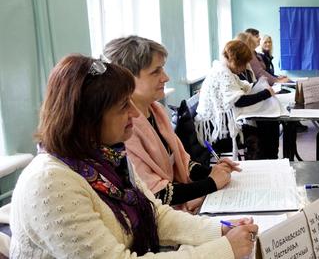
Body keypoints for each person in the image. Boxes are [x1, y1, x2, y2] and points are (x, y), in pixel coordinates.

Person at [10, 54, 257, 258]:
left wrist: (221, 231)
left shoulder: (108, 157)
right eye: (122, 107)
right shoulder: (50, 183)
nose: (135, 114)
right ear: (88, 120)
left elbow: (157, 215)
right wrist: (223, 249)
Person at [103, 36, 239, 212]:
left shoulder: (156, 110)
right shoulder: (124, 128)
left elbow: (182, 161)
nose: (166, 77)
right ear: (127, 78)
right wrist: (211, 182)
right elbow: (154, 194)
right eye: (156, 72)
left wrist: (213, 171)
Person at [196, 40, 280, 160]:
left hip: (221, 123)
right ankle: (266, 163)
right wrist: (265, 93)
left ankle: (271, 161)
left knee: (269, 124)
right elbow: (239, 101)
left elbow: (241, 87)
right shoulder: (222, 73)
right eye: (243, 63)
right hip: (216, 131)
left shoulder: (225, 70)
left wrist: (259, 86)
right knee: (264, 129)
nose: (245, 67)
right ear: (235, 60)